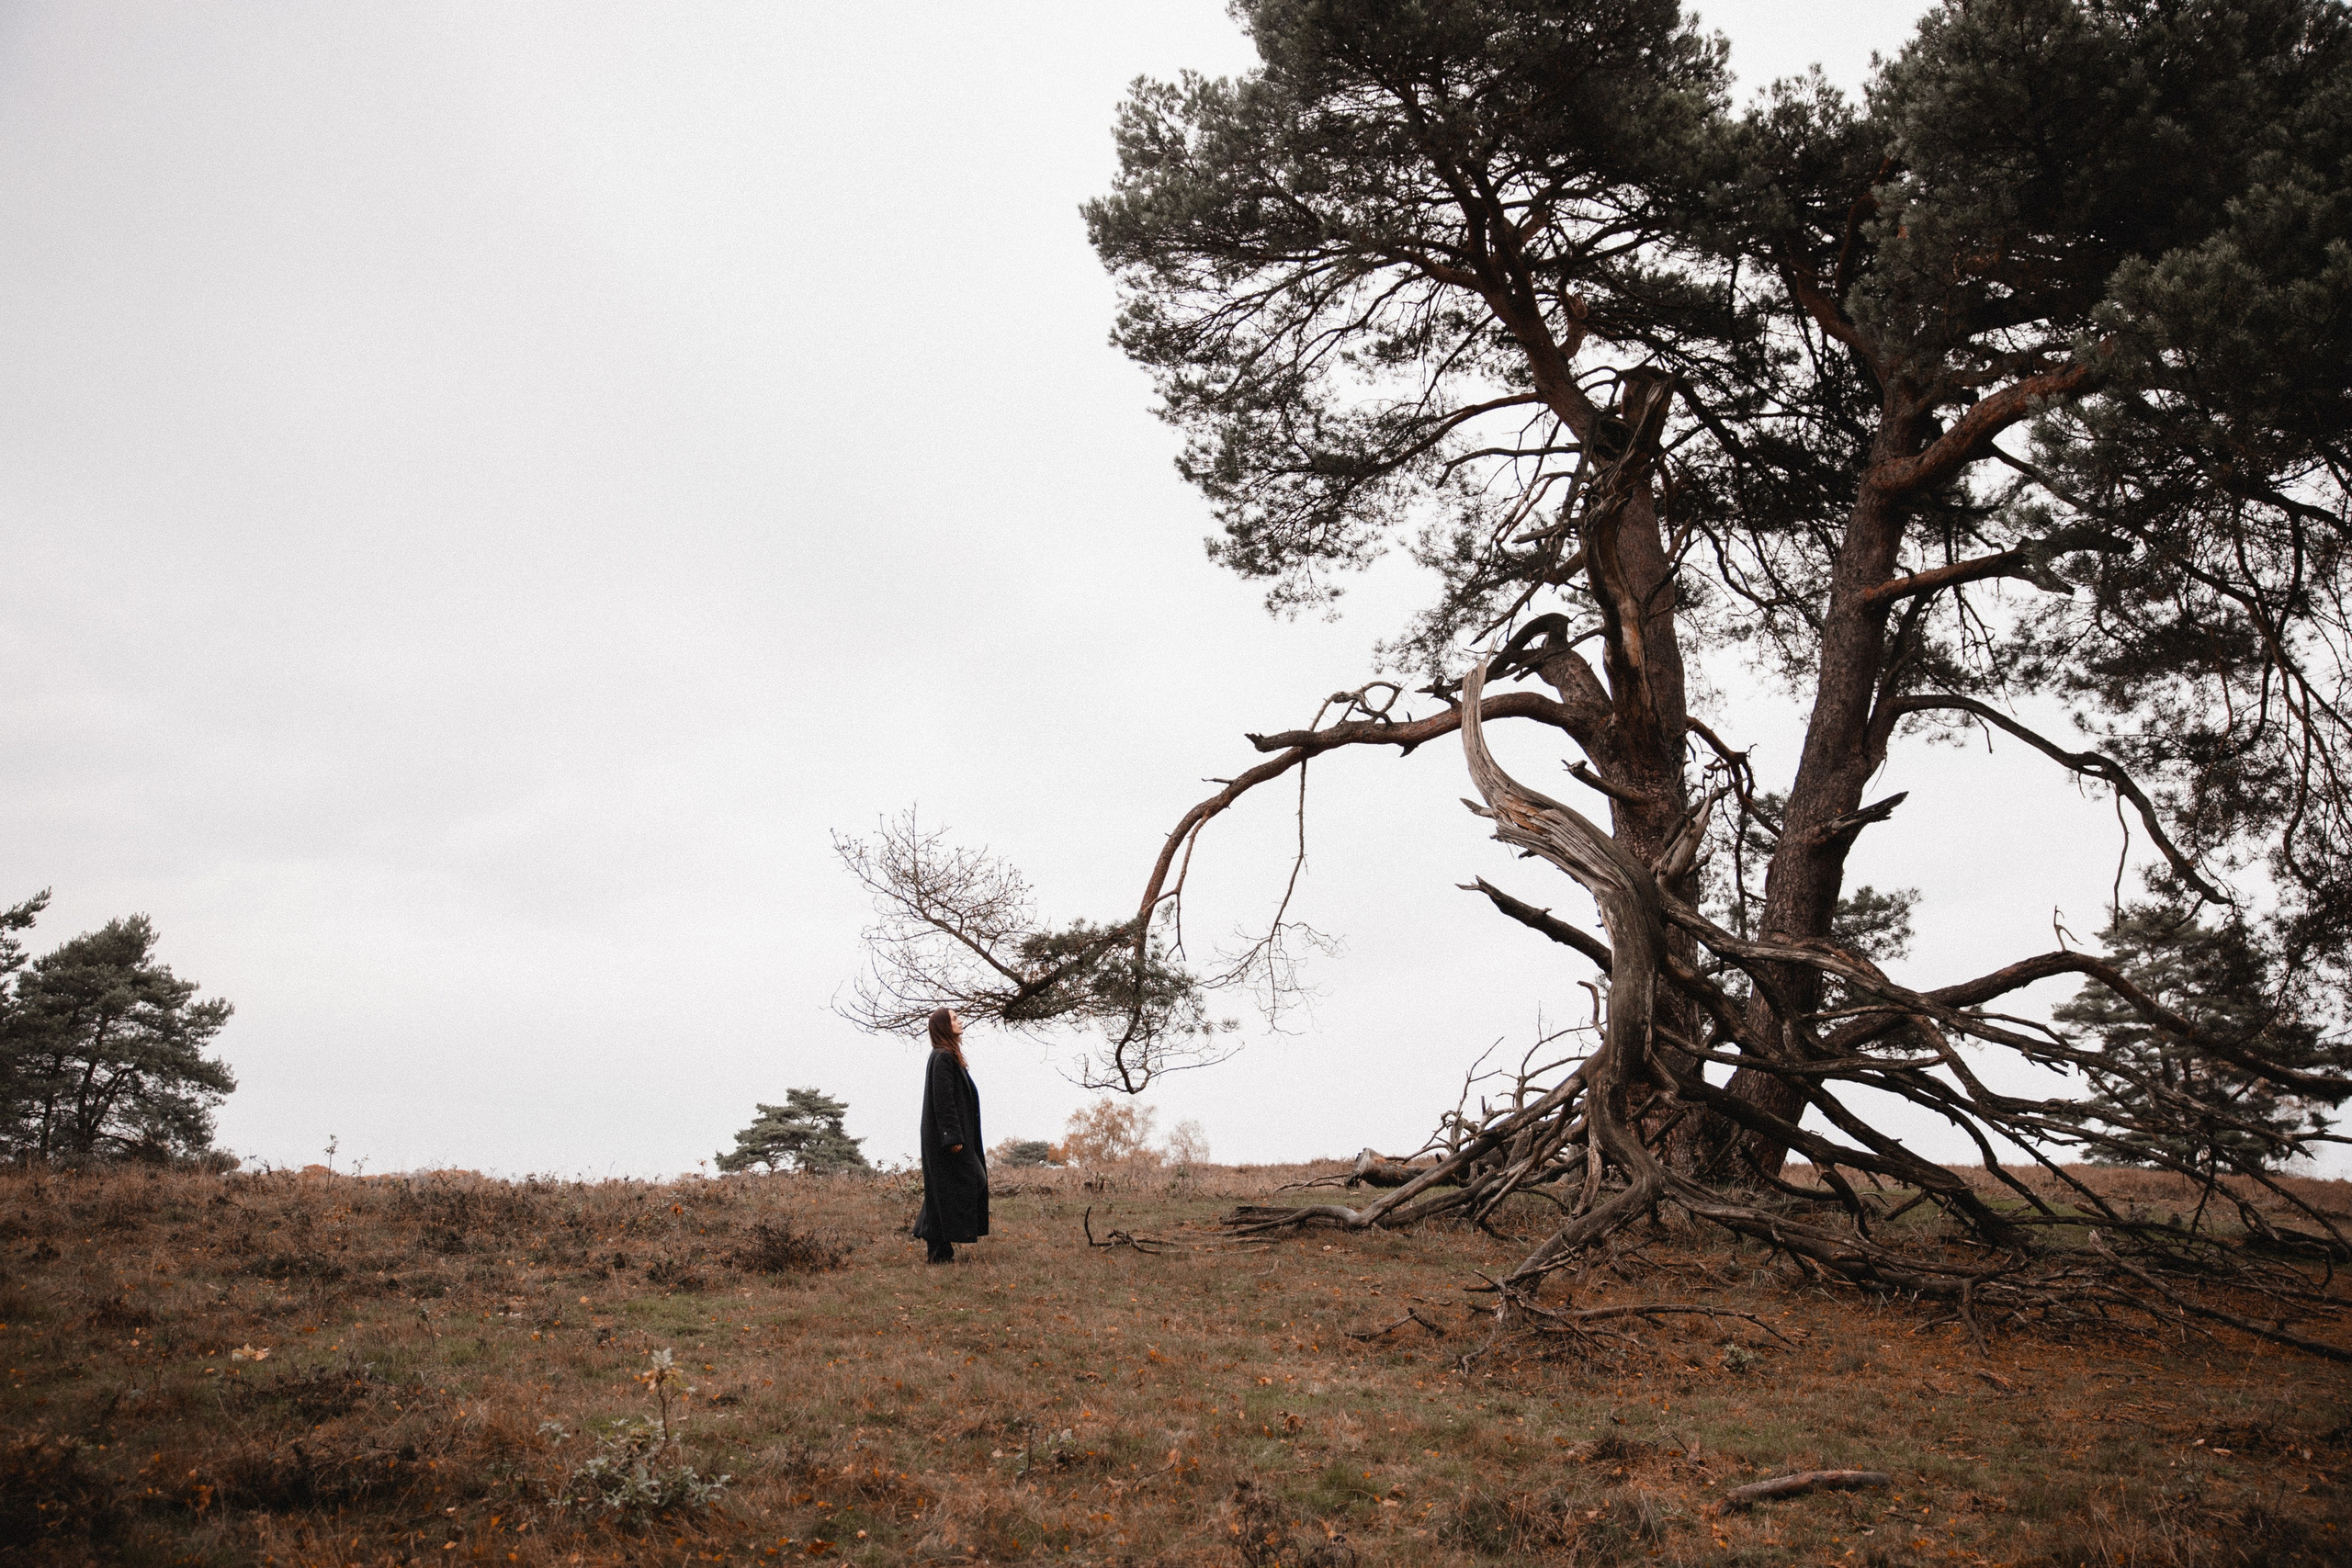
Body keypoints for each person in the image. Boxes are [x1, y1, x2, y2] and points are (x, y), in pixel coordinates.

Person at [911, 1006, 988, 1264]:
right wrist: (952, 1136)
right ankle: (933, 1238)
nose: (959, 1021)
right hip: (947, 1139)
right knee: (973, 1179)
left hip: (951, 1136)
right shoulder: (942, 1057)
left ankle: (938, 1250)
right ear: (944, 1026)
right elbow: (943, 1100)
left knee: (941, 1190)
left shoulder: (948, 1055)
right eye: (954, 1018)